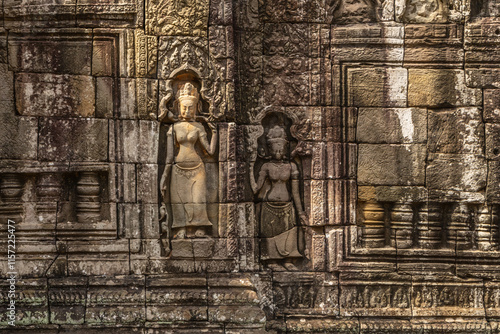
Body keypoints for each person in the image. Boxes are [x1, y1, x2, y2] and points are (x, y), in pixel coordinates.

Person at [160, 81, 217, 239]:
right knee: (179, 200)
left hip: (197, 168)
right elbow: (169, 157)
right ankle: (181, 228)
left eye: (190, 107)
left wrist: (215, 133)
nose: (187, 110)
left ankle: (199, 226)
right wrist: (164, 177)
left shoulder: (198, 127)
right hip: (178, 169)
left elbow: (210, 151)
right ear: (179, 108)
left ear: (196, 108)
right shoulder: (174, 128)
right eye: (184, 107)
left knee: (198, 199)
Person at [250, 125, 307, 271]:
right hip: (269, 205)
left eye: (281, 150)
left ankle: (288, 260)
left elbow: (295, 193)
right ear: (269, 150)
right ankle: (272, 260)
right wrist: (250, 168)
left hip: (287, 204)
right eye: (275, 150)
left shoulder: (291, 166)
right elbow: (256, 189)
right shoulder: (266, 166)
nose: (278, 153)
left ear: (285, 149)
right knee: (270, 233)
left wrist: (301, 213)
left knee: (289, 232)